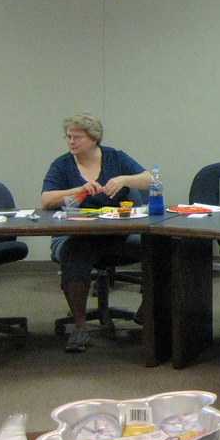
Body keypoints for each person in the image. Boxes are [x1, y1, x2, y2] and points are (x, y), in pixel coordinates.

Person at [41, 112, 151, 353]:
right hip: (76, 236)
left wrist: (125, 180)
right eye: (69, 137)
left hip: (116, 235)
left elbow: (150, 180)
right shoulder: (62, 164)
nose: (71, 142)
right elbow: (47, 200)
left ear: (93, 138)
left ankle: (146, 312)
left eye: (77, 137)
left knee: (159, 249)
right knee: (74, 255)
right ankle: (80, 326)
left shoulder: (115, 158)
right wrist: (79, 190)